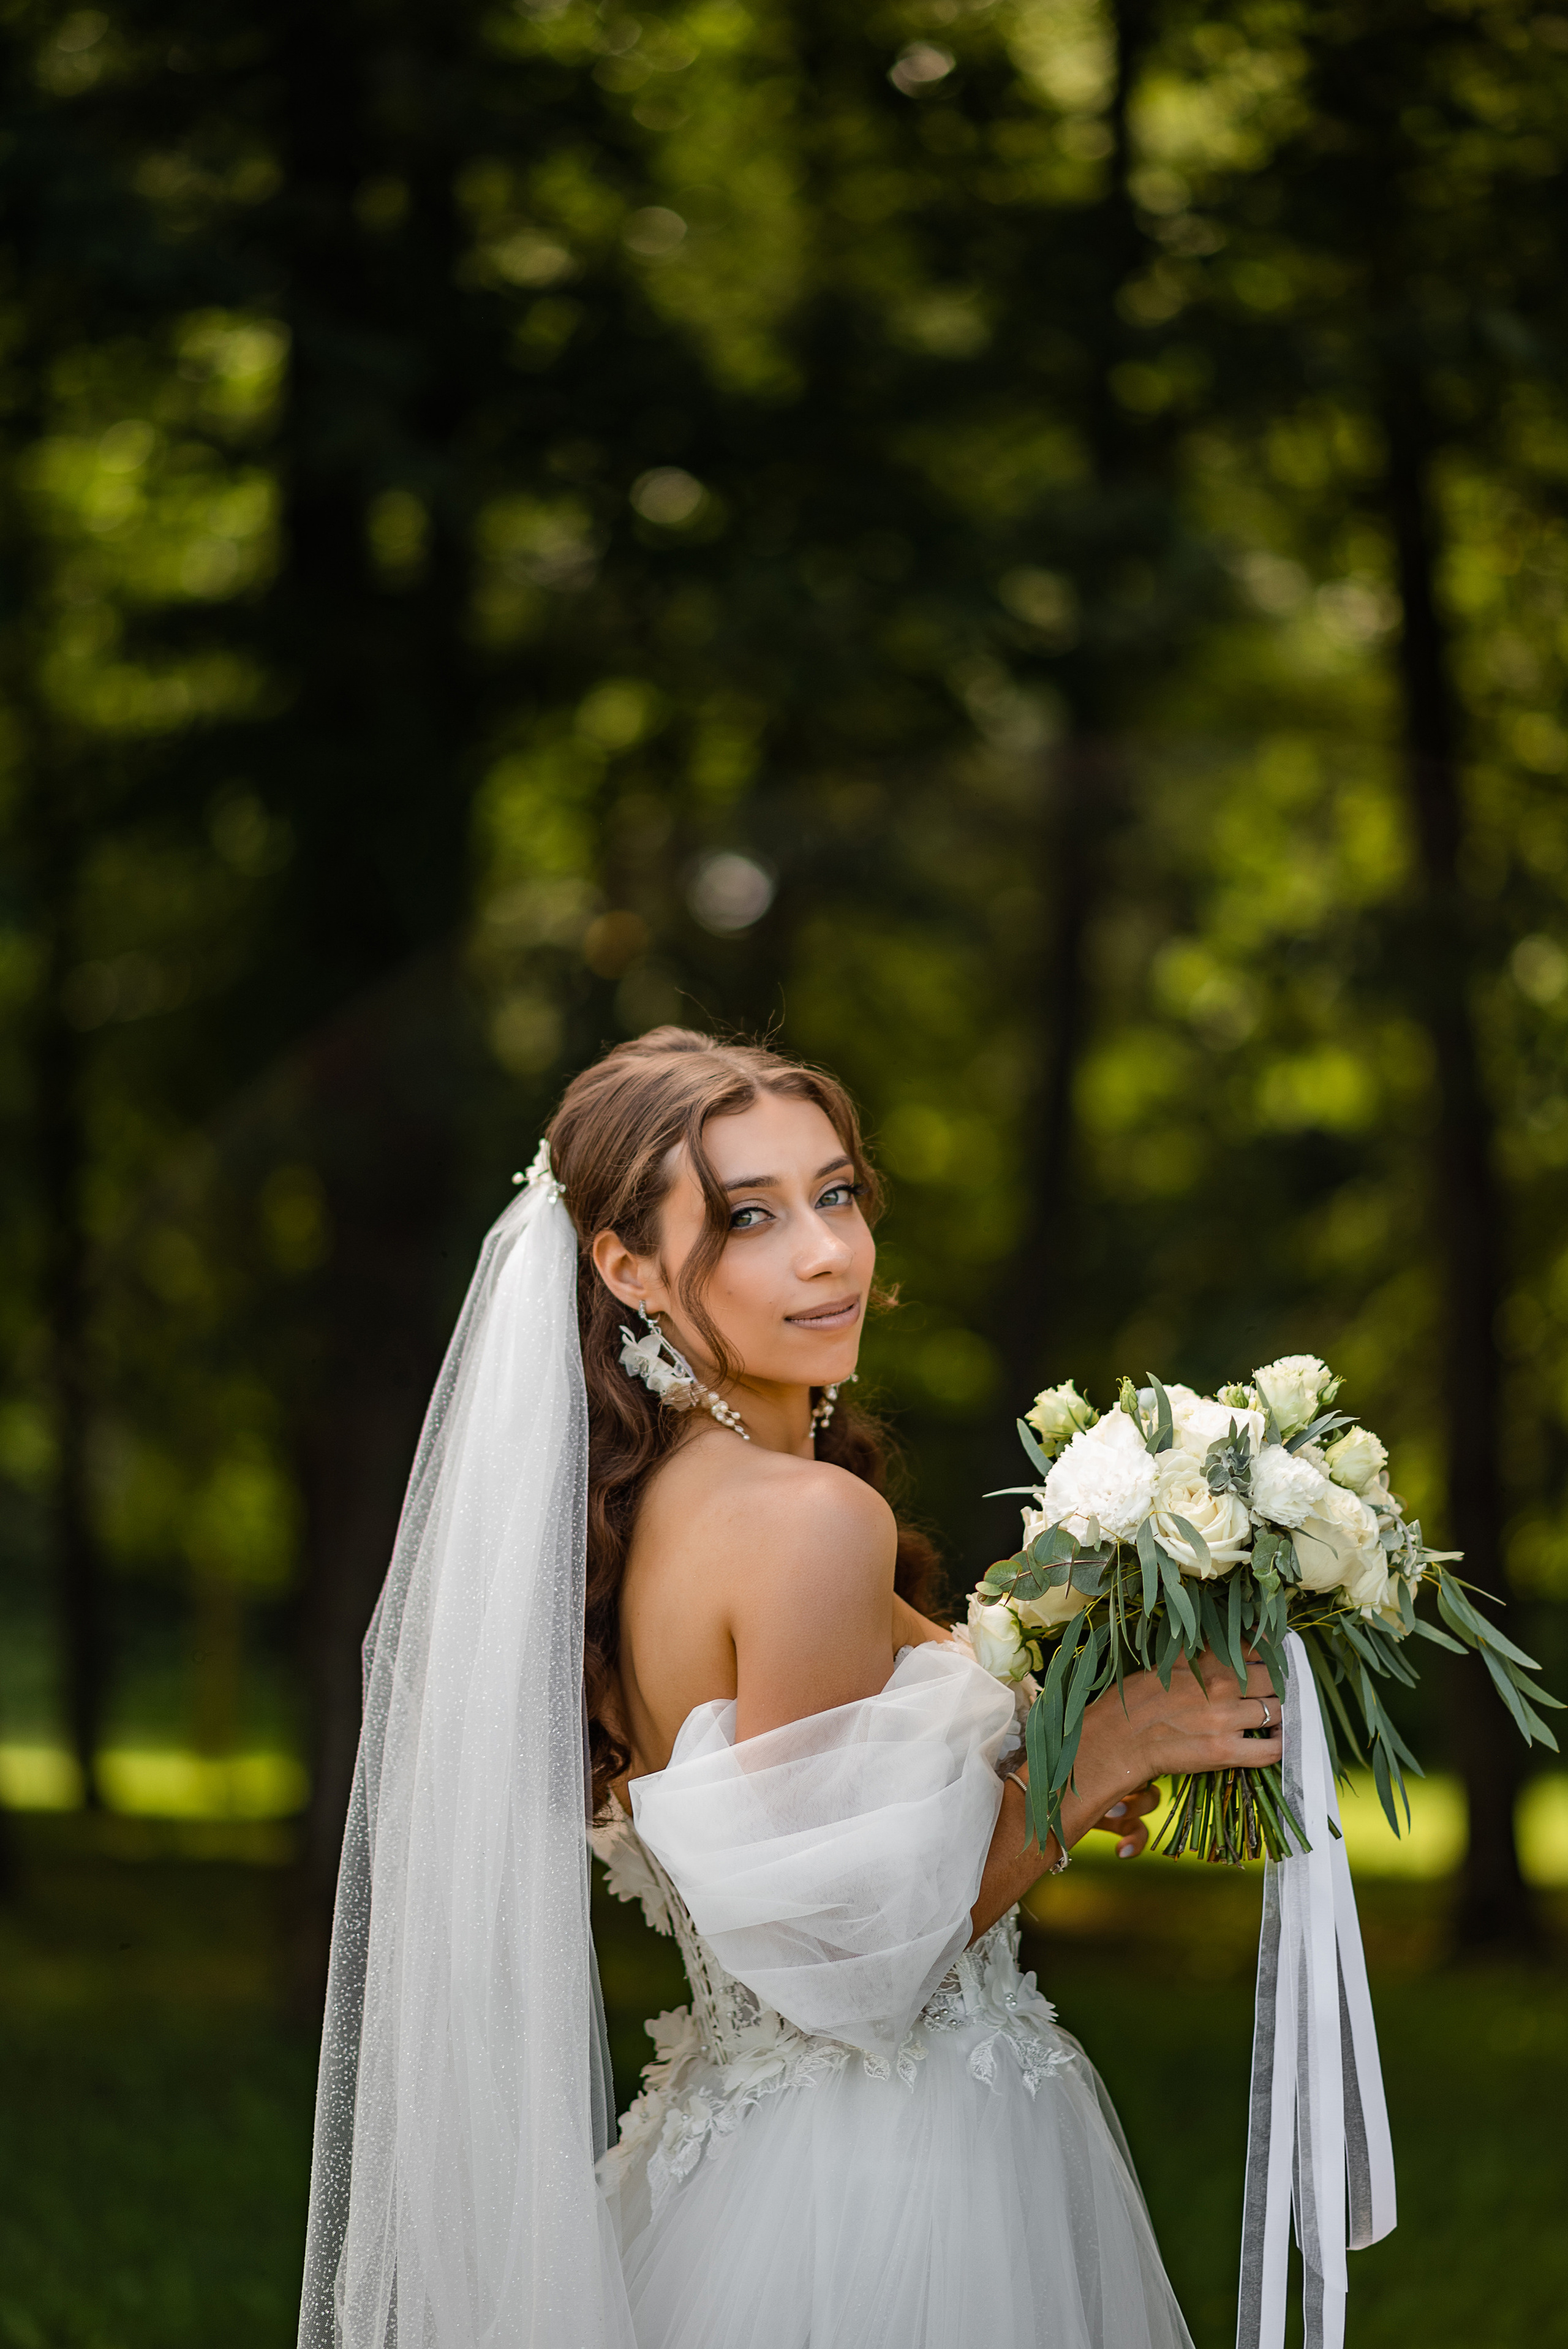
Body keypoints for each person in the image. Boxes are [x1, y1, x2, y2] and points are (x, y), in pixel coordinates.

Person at [298, 1027, 1284, 2349]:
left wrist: (1008, 1767)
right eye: (747, 1218)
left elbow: (804, 1846)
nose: (826, 1250)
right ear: (624, 1267)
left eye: (834, 1194)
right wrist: (1085, 1763)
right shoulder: (807, 1522)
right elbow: (850, 1962)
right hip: (889, 2184)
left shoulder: (640, 1517)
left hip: (736, 2161)